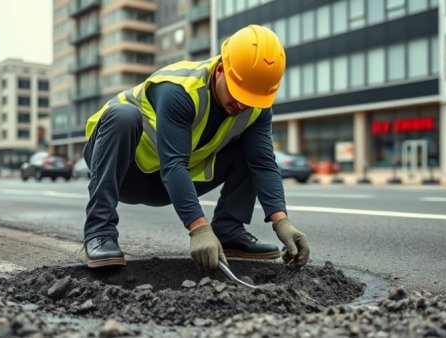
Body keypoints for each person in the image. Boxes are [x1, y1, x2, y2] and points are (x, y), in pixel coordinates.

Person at [82, 24, 310, 271]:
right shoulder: (179, 89)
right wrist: (199, 228)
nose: (243, 104)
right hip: (125, 171)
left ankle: (229, 230)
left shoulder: (256, 105)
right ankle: (99, 231)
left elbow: (263, 163)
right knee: (123, 115)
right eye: (237, 93)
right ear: (221, 69)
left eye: (250, 98)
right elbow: (174, 163)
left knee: (250, 150)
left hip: (167, 184)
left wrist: (282, 221)